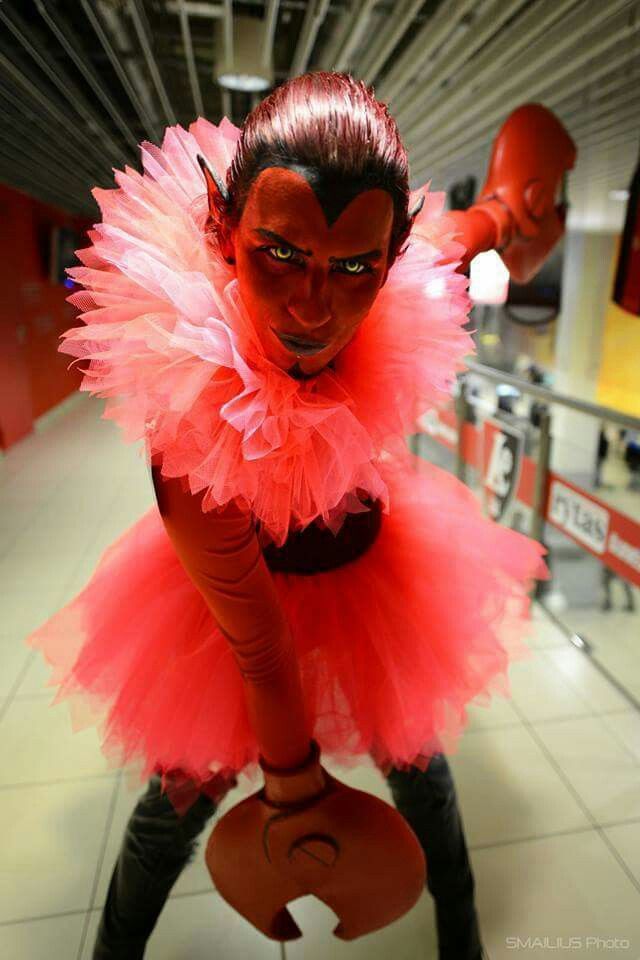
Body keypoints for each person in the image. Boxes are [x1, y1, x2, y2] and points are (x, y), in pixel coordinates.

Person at [26, 73, 550, 959]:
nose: (315, 305)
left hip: (372, 576)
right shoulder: (194, 411)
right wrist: (296, 793)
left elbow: (457, 239)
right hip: (231, 620)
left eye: (355, 269)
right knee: (175, 806)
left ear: (388, 262)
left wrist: (512, 210)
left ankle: (462, 940)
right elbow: (260, 652)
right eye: (280, 254)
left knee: (424, 779)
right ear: (221, 232)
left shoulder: (400, 278)